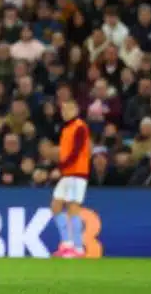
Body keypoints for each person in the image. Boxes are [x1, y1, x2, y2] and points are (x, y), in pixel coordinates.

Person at [51, 99, 91, 258]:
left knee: (73, 208)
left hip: (76, 172)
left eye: (68, 109)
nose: (64, 112)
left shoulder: (80, 127)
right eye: (63, 110)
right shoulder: (66, 128)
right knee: (56, 205)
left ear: (76, 110)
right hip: (68, 173)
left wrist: (62, 166)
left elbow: (76, 150)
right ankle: (68, 244)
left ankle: (78, 248)